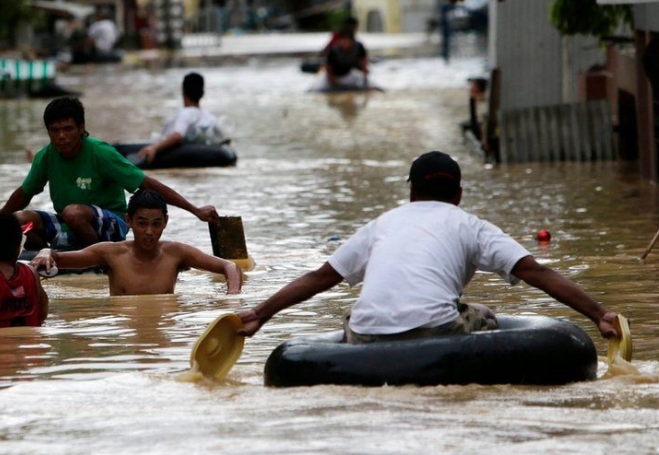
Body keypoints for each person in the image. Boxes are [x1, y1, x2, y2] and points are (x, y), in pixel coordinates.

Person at [237, 151, 622, 343]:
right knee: (485, 315)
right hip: (435, 333)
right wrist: (598, 313)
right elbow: (537, 273)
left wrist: (260, 313)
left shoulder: (381, 224)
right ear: (458, 194)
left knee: (355, 312)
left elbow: (320, 277)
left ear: (411, 191)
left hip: (365, 336)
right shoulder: (472, 225)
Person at [0, 96, 219, 250]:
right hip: (68, 224)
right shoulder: (45, 156)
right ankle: (46, 253)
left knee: (73, 212)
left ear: (81, 127)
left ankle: (100, 257)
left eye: (68, 129)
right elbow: (24, 194)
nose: (61, 137)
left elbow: (147, 184)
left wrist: (195, 210)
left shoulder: (101, 153)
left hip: (111, 225)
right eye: (55, 131)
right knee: (19, 220)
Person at [29, 189, 242, 296]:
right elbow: (60, 259)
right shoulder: (111, 253)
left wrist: (232, 298)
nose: (149, 232)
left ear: (165, 223)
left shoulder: (176, 252)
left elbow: (229, 266)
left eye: (156, 224)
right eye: (142, 223)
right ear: (128, 221)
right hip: (125, 328)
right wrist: (47, 252)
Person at [137, 72, 229, 164]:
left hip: (176, 151)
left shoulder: (185, 114)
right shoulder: (209, 117)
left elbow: (177, 136)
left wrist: (153, 148)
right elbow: (225, 139)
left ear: (183, 92)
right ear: (202, 93)